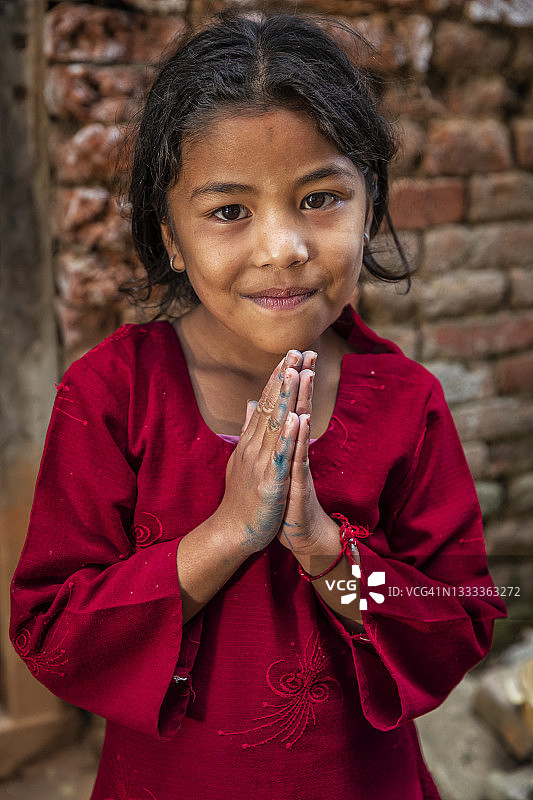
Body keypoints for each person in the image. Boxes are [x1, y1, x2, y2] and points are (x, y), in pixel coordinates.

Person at [10, 10, 506, 800]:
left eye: (319, 197)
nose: (283, 248)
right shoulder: (111, 397)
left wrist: (326, 553)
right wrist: (227, 533)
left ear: (369, 204)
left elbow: (455, 618)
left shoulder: (404, 404)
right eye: (229, 211)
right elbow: (53, 633)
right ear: (171, 236)